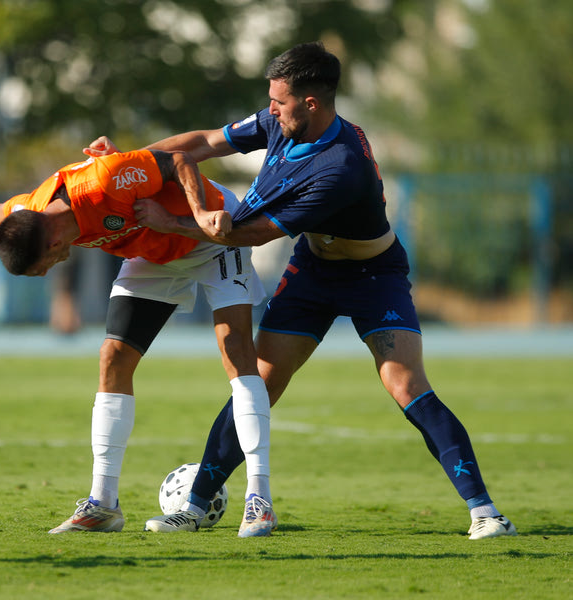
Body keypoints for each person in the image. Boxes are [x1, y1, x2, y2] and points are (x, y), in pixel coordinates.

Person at [88, 41, 515, 540]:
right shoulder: (282, 121)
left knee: (405, 385)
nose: (269, 110)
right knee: (257, 382)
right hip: (313, 270)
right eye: (269, 100)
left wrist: (168, 220)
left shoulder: (338, 167)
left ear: (311, 102)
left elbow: (246, 232)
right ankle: (197, 506)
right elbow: (203, 141)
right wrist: (131, 166)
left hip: (374, 278)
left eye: (278, 101)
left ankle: (486, 513)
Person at [0, 148, 276, 537]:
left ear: (53, 242)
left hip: (210, 236)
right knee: (113, 358)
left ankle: (259, 500)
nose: (47, 272)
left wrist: (198, 213)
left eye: (43, 267)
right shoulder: (27, 211)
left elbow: (176, 158)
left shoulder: (107, 180)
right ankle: (103, 504)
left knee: (236, 352)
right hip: (152, 254)